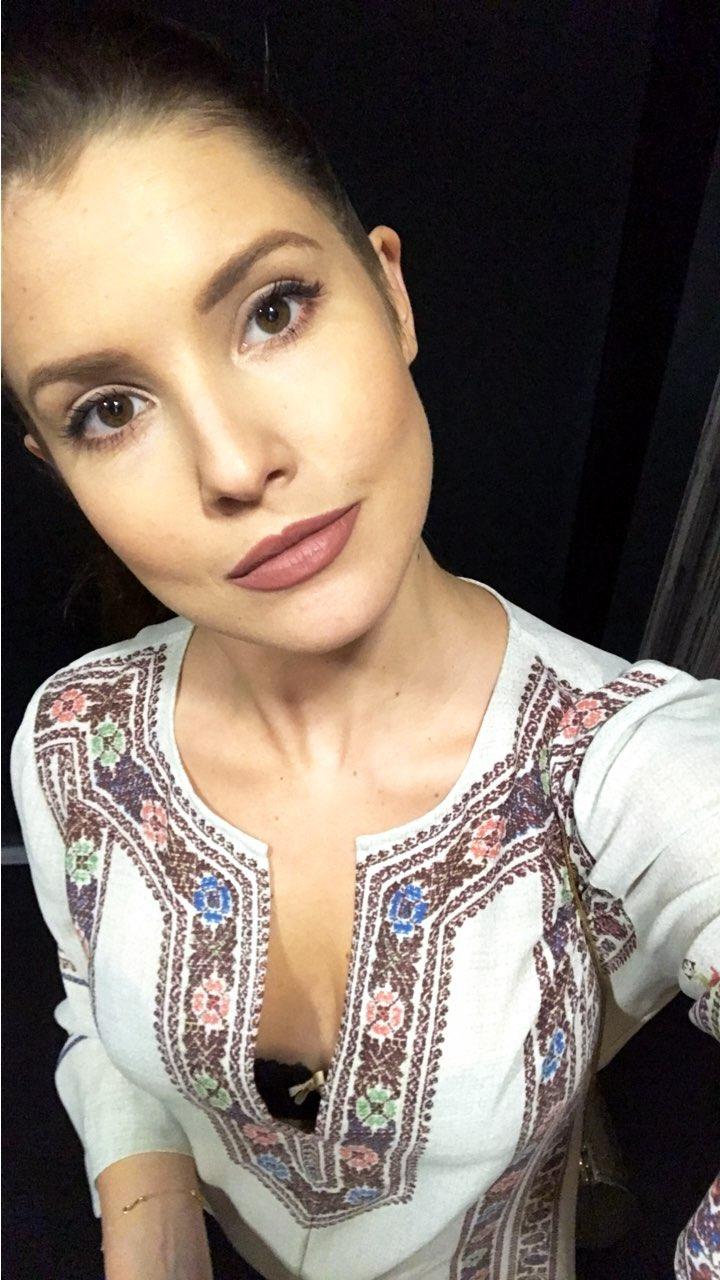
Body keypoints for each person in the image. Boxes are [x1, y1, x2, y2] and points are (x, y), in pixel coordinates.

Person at [4, 8, 719, 1280]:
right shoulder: (76, 742)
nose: (235, 463)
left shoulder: (629, 770)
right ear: (58, 466)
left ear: (391, 293)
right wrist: (149, 1205)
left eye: (273, 308)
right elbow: (92, 1014)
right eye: (109, 409)